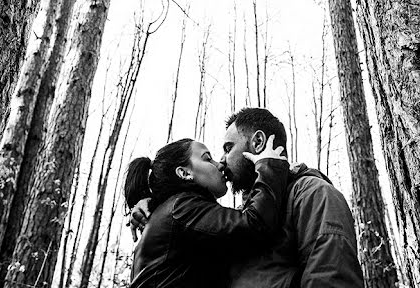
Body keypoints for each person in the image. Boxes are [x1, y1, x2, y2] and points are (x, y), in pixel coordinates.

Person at [130, 108, 365, 287]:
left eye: (227, 148)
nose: (221, 161)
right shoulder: (215, 213)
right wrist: (149, 200)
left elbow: (331, 277)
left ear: (258, 143)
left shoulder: (312, 194)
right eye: (210, 157)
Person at [123, 135, 289, 288]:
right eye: (208, 159)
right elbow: (255, 223)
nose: (220, 164)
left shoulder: (178, 209)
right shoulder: (183, 207)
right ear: (184, 173)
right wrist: (269, 166)